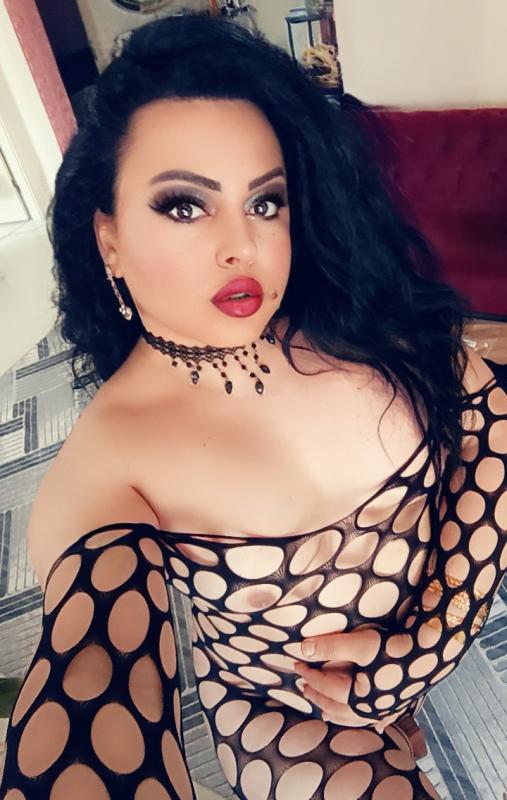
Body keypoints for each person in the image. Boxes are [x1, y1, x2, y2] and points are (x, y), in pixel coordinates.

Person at [0, 11, 505, 800]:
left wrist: (428, 641)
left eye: (265, 202)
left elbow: (491, 428)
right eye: (183, 205)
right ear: (108, 239)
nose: (242, 245)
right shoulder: (107, 466)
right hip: (283, 711)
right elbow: (95, 666)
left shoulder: (353, 316)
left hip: (426, 647)